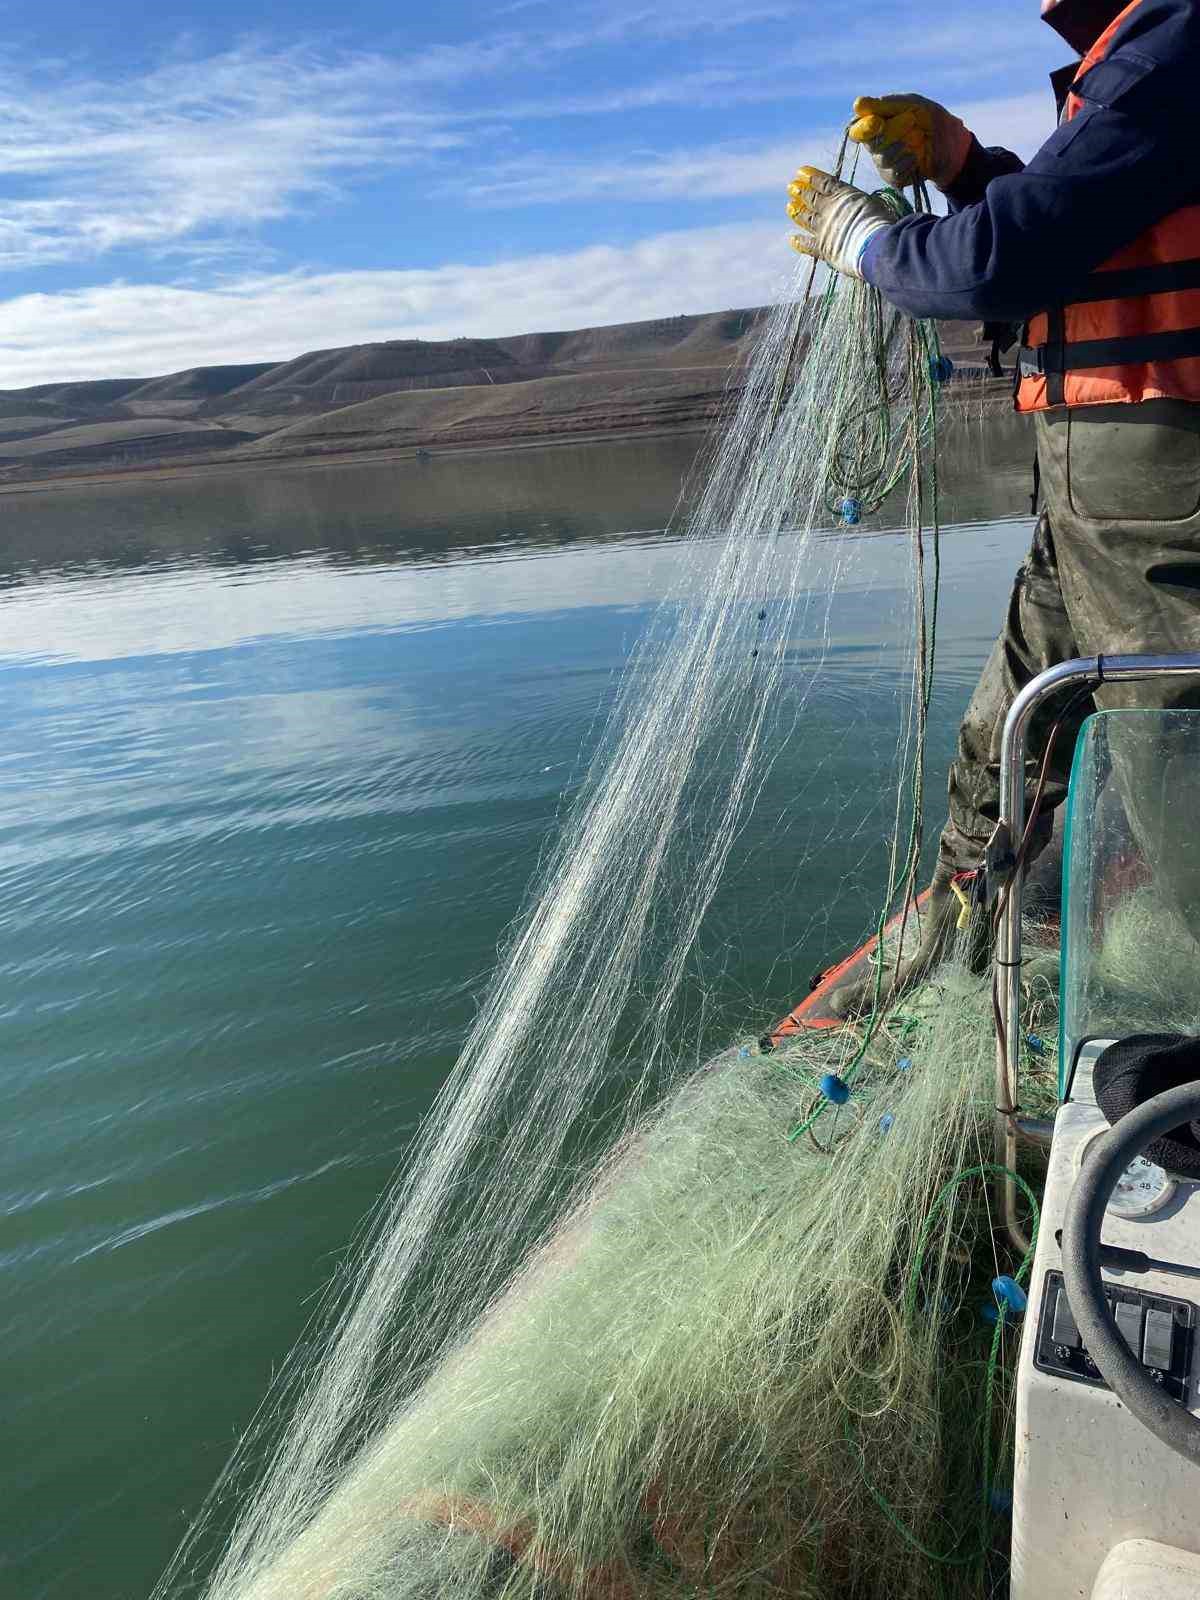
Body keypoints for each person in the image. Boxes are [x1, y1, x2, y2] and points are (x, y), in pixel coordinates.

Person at [785, 0, 1200, 1015]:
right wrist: (968, 163)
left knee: (1175, 766)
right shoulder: (1140, 58)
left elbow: (999, 261)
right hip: (1093, 501)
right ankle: (963, 919)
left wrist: (871, 244)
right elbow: (1087, 237)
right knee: (1013, 730)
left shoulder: (1180, 45)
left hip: (1166, 491)